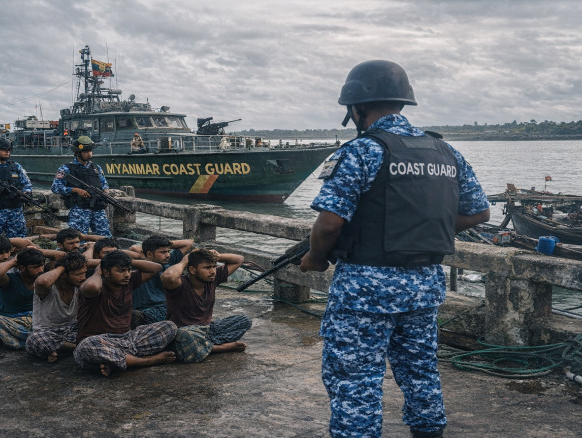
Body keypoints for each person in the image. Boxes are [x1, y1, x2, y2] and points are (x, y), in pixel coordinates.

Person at [298, 60, 491, 438]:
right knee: (420, 368)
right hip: (424, 287)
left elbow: (330, 222)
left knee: (354, 378)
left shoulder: (362, 151)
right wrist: (419, 227)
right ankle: (428, 432)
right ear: (403, 103)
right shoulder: (445, 151)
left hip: (364, 291)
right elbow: (479, 211)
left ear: (356, 108)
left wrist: (316, 258)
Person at [73, 250, 177, 377]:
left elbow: (156, 268)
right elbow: (92, 287)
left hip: (127, 339)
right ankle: (147, 360)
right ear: (106, 272)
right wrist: (98, 271)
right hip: (100, 341)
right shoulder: (96, 287)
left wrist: (125, 261)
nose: (127, 274)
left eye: (128, 270)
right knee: (86, 346)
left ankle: (116, 360)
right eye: (121, 270)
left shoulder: (129, 281)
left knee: (169, 326)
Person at [161, 248, 250, 363]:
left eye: (214, 266)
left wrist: (217, 256)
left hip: (207, 330)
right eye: (207, 268)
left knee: (244, 320)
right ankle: (217, 348)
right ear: (192, 270)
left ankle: (203, 346)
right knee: (184, 335)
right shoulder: (179, 285)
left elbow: (239, 260)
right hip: (186, 332)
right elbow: (168, 276)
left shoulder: (212, 279)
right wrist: (184, 261)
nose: (213, 271)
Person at [0, 248, 55, 349]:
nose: (41, 270)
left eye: (42, 265)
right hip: (13, 320)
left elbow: (61, 256)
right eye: (36, 267)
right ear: (22, 268)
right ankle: (37, 341)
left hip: (37, 320)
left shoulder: (43, 280)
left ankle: (34, 340)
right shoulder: (9, 280)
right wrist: (14, 260)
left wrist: (32, 249)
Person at [26, 251, 88, 362]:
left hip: (73, 330)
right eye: (78, 274)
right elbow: (42, 281)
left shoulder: (79, 287)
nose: (83, 277)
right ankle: (75, 348)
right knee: (34, 339)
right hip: (48, 332)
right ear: (63, 274)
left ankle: (58, 349)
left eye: (84, 273)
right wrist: (61, 268)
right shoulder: (48, 288)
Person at [51, 136, 113, 237]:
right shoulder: (66, 168)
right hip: (80, 210)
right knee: (77, 238)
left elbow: (103, 183)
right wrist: (75, 190)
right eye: (86, 151)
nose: (89, 154)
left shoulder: (96, 167)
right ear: (78, 153)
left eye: (90, 151)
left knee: (105, 238)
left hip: (98, 208)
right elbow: (55, 187)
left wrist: (105, 192)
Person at [130, 235, 194, 325]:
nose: (167, 255)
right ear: (149, 254)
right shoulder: (136, 266)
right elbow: (133, 249)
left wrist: (163, 244)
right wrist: (144, 250)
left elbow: (189, 243)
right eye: (163, 252)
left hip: (166, 307)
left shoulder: (169, 263)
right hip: (144, 310)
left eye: (168, 251)